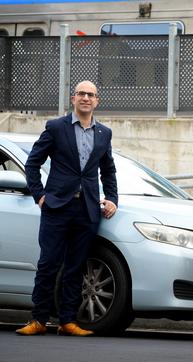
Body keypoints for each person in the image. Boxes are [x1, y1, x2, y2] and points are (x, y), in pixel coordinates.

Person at [17, 80, 118, 336]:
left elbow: (108, 170)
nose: (86, 98)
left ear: (97, 101)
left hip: (87, 210)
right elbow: (32, 164)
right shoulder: (56, 127)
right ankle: (38, 320)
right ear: (73, 99)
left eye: (91, 94)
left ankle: (68, 321)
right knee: (48, 263)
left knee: (76, 266)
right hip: (57, 207)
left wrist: (113, 198)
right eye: (81, 94)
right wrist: (39, 196)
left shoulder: (104, 133)